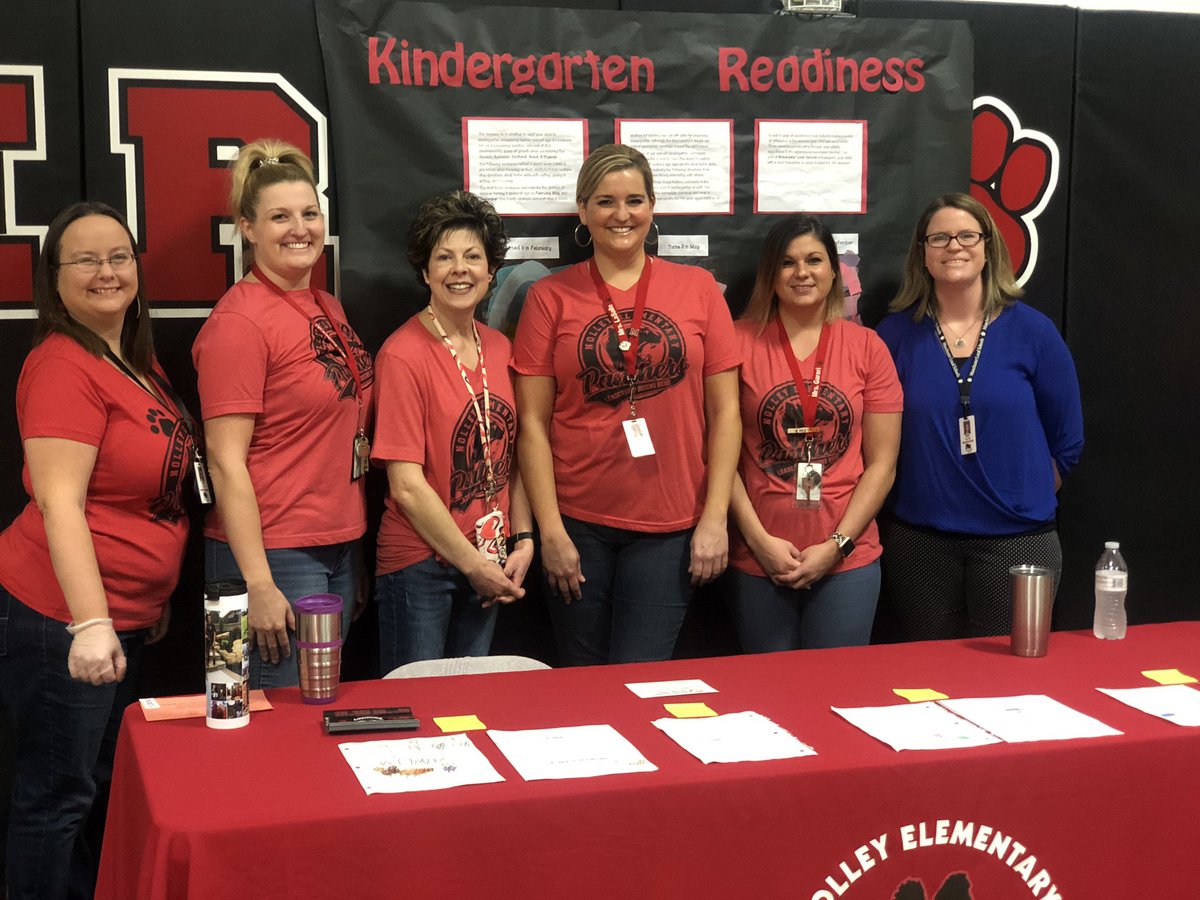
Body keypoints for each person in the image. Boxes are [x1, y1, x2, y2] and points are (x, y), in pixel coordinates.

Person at [0, 202, 196, 898]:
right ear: (54, 279)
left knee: (98, 789)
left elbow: (142, 493)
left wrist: (145, 598)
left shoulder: (130, 359)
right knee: (58, 797)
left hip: (123, 616)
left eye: (118, 256)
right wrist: (90, 622)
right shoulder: (62, 366)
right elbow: (61, 505)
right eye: (85, 259)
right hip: (59, 618)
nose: (106, 271)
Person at [513, 143, 741, 665]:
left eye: (634, 200)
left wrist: (715, 518)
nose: (622, 214)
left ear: (652, 207)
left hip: (670, 523)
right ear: (582, 211)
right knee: (582, 681)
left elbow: (727, 414)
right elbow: (533, 423)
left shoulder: (699, 289)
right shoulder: (550, 297)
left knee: (642, 680)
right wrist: (551, 531)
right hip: (578, 522)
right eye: (605, 201)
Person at [193, 139, 374, 687]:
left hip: (335, 546)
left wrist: (351, 547)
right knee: (267, 718)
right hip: (269, 555)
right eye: (280, 217)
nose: (300, 229)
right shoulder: (238, 324)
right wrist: (258, 584)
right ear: (248, 228)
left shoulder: (326, 304)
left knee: (318, 710)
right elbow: (225, 463)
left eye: (309, 213)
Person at [876, 192, 1083, 639]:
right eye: (940, 238)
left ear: (988, 247)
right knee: (929, 673)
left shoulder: (1034, 331)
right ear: (922, 253)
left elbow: (1067, 440)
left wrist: (1013, 498)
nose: (954, 246)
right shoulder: (894, 335)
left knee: (1009, 675)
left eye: (967, 235)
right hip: (920, 541)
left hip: (1017, 539)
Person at [372, 191, 534, 673]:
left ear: (491, 270)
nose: (459, 270)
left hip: (489, 559)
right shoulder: (402, 354)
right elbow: (406, 484)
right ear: (425, 271)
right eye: (444, 257)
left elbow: (513, 459)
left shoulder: (501, 348)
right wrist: (472, 564)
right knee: (417, 702)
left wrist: (523, 538)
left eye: (472, 257)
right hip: (422, 565)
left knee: (470, 700)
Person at [728, 216, 902, 652]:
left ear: (833, 271)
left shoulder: (868, 347)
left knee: (838, 685)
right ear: (770, 274)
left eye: (814, 260)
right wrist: (759, 542)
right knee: (765, 686)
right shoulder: (736, 342)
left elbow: (882, 465)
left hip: (847, 560)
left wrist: (837, 545)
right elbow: (719, 457)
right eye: (787, 262)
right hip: (760, 557)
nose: (801, 273)